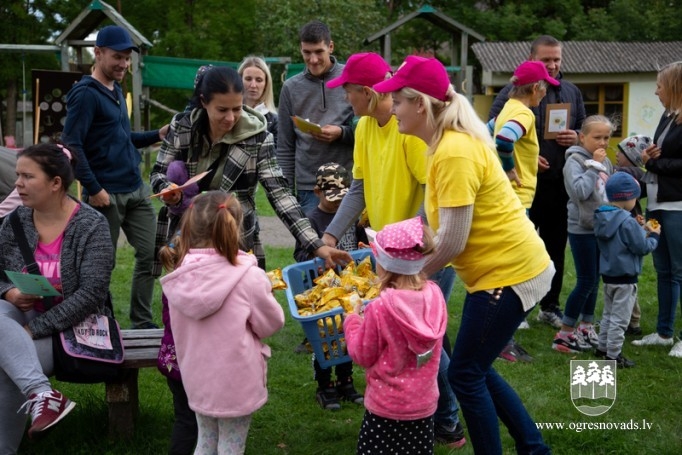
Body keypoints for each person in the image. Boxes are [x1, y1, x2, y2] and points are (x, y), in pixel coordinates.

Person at [374, 55, 553, 454]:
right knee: (476, 368)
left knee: (466, 374)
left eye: (398, 101)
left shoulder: (453, 151)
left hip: (508, 273)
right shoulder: (441, 145)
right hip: (501, 271)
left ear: (419, 104)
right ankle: (534, 447)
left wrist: (406, 276)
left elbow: (452, 242)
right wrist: (396, 248)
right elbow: (436, 225)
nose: (393, 109)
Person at [322, 51, 465, 448]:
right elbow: (358, 188)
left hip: (421, 253)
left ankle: (448, 419)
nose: (345, 99)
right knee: (427, 336)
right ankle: (443, 414)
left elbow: (429, 198)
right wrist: (331, 236)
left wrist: (407, 248)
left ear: (367, 92)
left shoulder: (408, 128)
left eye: (349, 92)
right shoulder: (364, 126)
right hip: (391, 256)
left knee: (422, 340)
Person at [150, 65, 349, 270]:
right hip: (189, 239)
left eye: (237, 109)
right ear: (203, 102)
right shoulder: (182, 127)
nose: (230, 118)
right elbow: (158, 172)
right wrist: (167, 188)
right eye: (222, 110)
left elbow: (281, 195)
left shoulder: (258, 137)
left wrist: (316, 245)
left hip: (235, 240)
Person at [0, 143, 114, 452]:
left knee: (7, 365)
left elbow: (91, 295)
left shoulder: (92, 226)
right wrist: (9, 291)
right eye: (18, 175)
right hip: (16, 321)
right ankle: (43, 395)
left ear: (55, 183)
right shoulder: (14, 222)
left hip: (71, 328)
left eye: (27, 176)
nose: (17, 184)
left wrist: (33, 330)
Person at [159, 191, 285, 454]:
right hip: (236, 382)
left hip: (197, 379)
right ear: (235, 225)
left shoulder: (179, 276)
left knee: (205, 442)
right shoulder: (249, 277)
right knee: (231, 446)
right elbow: (271, 324)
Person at [62, 25, 168, 329]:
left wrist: (155, 135)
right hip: (105, 195)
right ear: (97, 54)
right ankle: (99, 322)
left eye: (126, 59)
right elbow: (72, 143)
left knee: (152, 255)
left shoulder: (116, 90)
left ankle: (141, 322)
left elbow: (120, 137)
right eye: (117, 57)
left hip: (135, 189)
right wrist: (93, 188)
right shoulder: (85, 94)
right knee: (99, 266)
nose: (123, 64)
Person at [489, 35, 586, 330]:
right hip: (522, 186)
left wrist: (577, 137)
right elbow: (497, 134)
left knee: (554, 247)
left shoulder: (571, 91)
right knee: (518, 249)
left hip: (558, 183)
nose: (553, 65)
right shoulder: (511, 94)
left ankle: (550, 305)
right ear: (532, 60)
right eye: (546, 60)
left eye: (557, 59)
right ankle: (515, 306)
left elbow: (585, 127)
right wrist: (519, 163)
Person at [344, 217, 447, 455]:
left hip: (385, 409)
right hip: (424, 405)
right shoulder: (435, 296)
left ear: (385, 264)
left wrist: (352, 320)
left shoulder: (380, 308)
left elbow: (362, 354)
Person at [490, 59, 558, 362]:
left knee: (509, 268)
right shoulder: (524, 113)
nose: (545, 94)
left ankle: (502, 336)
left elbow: (490, 133)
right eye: (544, 88)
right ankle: (502, 339)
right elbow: (504, 140)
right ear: (534, 87)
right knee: (527, 270)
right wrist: (508, 168)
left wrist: (524, 160)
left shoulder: (506, 107)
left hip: (508, 200)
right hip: (516, 202)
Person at [293, 162, 366, 410]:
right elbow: (299, 255)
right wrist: (317, 260)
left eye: (341, 199)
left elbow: (358, 242)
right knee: (325, 339)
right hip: (322, 292)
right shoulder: (310, 221)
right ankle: (325, 386)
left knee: (347, 334)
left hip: (348, 288)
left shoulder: (350, 215)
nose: (337, 205)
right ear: (316, 192)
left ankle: (346, 381)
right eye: (331, 198)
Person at [276, 20, 355, 213]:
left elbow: (368, 128)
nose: (313, 59)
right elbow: (285, 145)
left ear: (330, 46)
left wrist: (342, 133)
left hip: (348, 182)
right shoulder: (290, 88)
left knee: (349, 243)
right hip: (309, 187)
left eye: (318, 52)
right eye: (307, 52)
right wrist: (286, 192)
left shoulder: (350, 78)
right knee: (311, 242)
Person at [632, 61, 682, 358]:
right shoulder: (668, 115)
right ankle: (664, 333)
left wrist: (653, 163)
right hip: (656, 202)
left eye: (659, 86)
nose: (656, 91)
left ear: (674, 87)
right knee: (663, 269)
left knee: (680, 271)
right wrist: (649, 154)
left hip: (677, 205)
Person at [554, 115, 615, 354]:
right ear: (582, 137)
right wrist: (594, 167)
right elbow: (579, 191)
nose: (602, 143)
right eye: (597, 137)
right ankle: (564, 334)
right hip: (581, 229)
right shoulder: (575, 161)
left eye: (606, 137)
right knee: (586, 281)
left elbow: (608, 192)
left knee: (594, 279)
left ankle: (586, 326)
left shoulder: (606, 161)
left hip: (602, 227)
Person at [594, 172, 660, 368]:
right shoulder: (628, 221)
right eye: (635, 198)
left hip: (609, 275)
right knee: (620, 319)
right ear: (627, 198)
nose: (636, 201)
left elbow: (620, 237)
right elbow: (641, 247)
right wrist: (654, 236)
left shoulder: (603, 215)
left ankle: (602, 347)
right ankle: (613, 355)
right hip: (626, 278)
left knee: (608, 314)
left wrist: (639, 227)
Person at [614, 135, 653, 336]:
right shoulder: (642, 175)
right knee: (629, 277)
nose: (616, 154)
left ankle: (632, 320)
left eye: (620, 151)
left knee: (626, 279)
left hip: (628, 231)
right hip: (635, 226)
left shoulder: (626, 173)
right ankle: (631, 320)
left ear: (630, 155)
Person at [238, 56, 278, 144]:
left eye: (259, 80)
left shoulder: (275, 121)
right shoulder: (229, 115)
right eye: (248, 79)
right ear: (239, 80)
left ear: (266, 84)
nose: (253, 85)